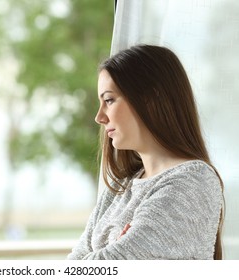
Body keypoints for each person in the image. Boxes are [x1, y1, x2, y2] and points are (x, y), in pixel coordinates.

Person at [67, 44, 224, 260]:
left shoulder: (193, 181)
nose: (99, 117)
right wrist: (115, 249)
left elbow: (112, 264)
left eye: (109, 100)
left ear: (150, 98)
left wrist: (110, 253)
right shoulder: (119, 191)